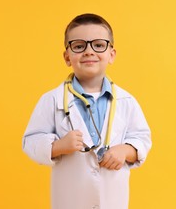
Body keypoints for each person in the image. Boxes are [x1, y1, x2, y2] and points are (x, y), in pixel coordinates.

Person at [23, 13, 152, 209]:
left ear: (112, 54)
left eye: (99, 45)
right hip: (70, 200)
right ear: (67, 57)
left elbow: (142, 139)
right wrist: (58, 146)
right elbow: (30, 141)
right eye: (78, 46)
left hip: (112, 201)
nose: (89, 51)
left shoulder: (127, 102)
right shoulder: (51, 100)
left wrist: (125, 150)